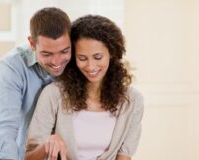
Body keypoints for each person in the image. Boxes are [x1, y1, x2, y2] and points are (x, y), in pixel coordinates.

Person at [25, 15, 144, 160]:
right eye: (82, 58)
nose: (91, 66)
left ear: (111, 53)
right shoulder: (53, 95)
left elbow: (124, 155)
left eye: (98, 57)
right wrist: (47, 145)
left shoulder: (132, 100)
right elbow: (29, 156)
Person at [0, 7, 72, 160]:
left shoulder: (79, 62)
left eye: (64, 52)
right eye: (47, 54)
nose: (57, 62)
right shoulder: (12, 67)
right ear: (32, 44)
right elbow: (5, 130)